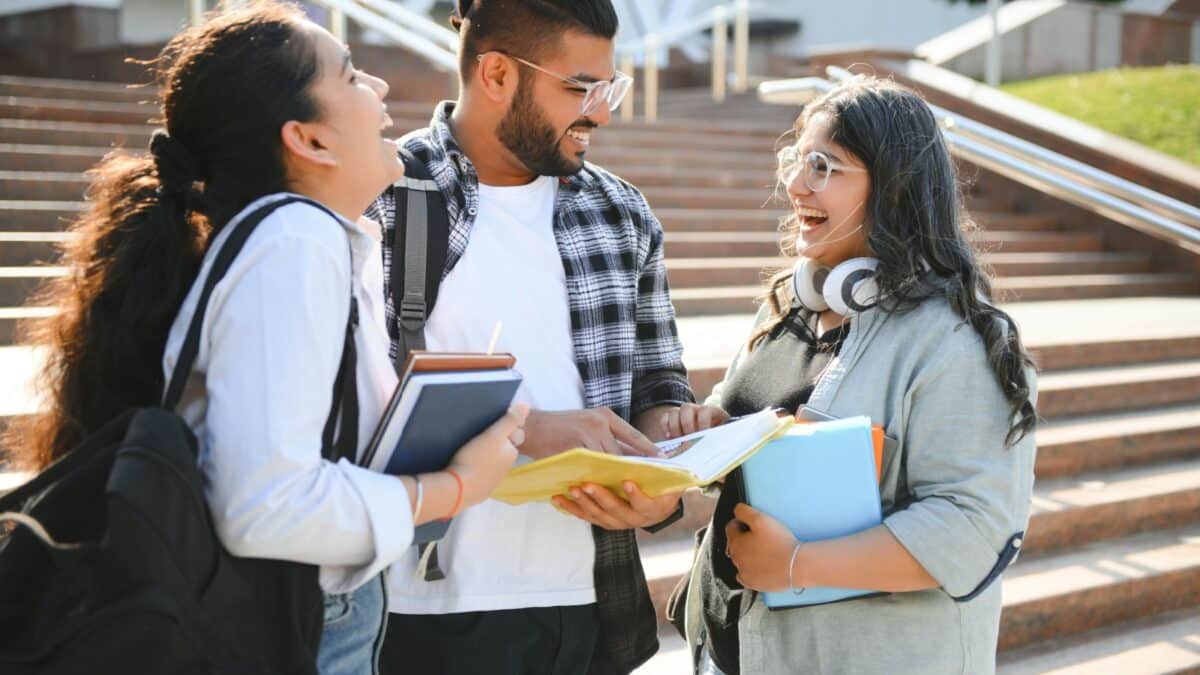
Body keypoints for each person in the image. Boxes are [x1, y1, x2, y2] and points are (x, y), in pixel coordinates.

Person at [3, 4, 526, 674]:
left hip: (304, 612)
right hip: (294, 621)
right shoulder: (295, 241)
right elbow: (265, 504)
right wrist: (452, 488)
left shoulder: (308, 238)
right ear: (308, 140)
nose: (382, 89)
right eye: (352, 77)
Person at [661, 76, 1039, 674]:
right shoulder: (792, 303)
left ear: (894, 188)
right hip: (733, 648)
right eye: (794, 160)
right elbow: (761, 437)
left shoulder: (957, 340)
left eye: (824, 166)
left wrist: (797, 565)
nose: (794, 183)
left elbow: (973, 528)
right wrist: (712, 431)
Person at [365, 1, 696, 673]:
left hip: (591, 609)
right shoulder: (385, 196)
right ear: (495, 74)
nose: (600, 112)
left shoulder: (621, 212)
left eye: (609, 86)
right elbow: (347, 409)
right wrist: (526, 428)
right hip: (418, 612)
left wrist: (663, 472)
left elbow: (658, 386)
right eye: (579, 88)